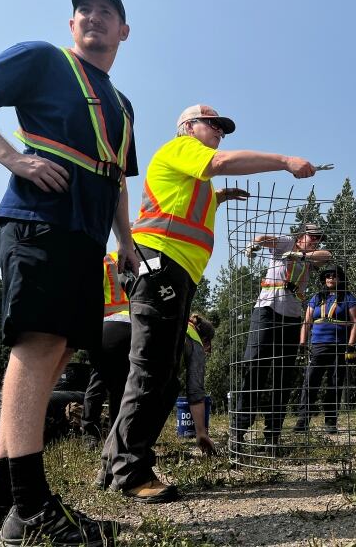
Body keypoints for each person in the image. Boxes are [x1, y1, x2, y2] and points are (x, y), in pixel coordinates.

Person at [0, 0, 137, 545]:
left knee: (54, 352)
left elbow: (115, 178)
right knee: (36, 347)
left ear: (123, 32)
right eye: (84, 10)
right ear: (71, 24)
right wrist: (14, 159)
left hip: (85, 236)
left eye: (107, 12)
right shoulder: (43, 58)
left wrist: (126, 242)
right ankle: (33, 510)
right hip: (39, 221)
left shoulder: (121, 104)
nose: (94, 17)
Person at [99, 104, 317, 503]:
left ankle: (114, 462)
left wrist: (216, 199)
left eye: (221, 128)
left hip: (173, 271)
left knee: (159, 374)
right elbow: (222, 162)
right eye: (211, 124)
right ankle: (129, 473)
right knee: (153, 372)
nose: (218, 132)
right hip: (161, 265)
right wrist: (286, 161)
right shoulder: (181, 149)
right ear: (187, 127)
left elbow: (182, 203)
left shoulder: (192, 175)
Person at [233, 224, 332, 455]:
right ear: (301, 235)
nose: (316, 241)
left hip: (291, 317)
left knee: (283, 375)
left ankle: (272, 437)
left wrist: (300, 255)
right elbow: (262, 237)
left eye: (318, 238)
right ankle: (238, 432)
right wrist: (254, 245)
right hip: (267, 311)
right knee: (254, 365)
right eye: (312, 237)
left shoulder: (310, 256)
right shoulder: (286, 243)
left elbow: (327, 256)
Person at [293, 264, 356, 434]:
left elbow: (355, 322)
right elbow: (306, 323)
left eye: (335, 275)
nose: (331, 278)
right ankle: (302, 421)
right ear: (323, 279)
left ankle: (331, 422)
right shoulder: (316, 298)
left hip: (339, 346)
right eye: (328, 275)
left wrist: (351, 346)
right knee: (310, 382)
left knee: (334, 384)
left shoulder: (348, 297)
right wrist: (302, 344)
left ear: (340, 278)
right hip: (318, 346)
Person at [81, 251, 133, 450]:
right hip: (108, 330)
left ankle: (114, 434)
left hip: (129, 330)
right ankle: (91, 433)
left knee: (119, 385)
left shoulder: (138, 261)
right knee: (101, 382)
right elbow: (92, 297)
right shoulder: (108, 262)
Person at [182, 314, 218, 455]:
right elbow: (195, 389)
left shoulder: (180, 324)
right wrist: (201, 433)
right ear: (205, 340)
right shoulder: (195, 341)